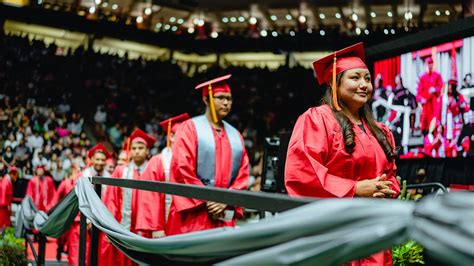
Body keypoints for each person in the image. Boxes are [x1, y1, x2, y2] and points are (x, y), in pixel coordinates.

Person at [285, 43, 400, 265]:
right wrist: (355, 189)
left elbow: (390, 173)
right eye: (355, 78)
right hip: (335, 232)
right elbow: (302, 174)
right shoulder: (317, 120)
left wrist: (386, 188)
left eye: (367, 78)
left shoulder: (379, 130)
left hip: (374, 232)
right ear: (334, 83)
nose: (364, 85)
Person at [166, 74, 249, 236]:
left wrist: (226, 199)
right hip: (194, 216)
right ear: (206, 100)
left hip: (223, 215)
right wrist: (209, 198)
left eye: (229, 99)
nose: (226, 103)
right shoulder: (190, 128)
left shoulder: (235, 135)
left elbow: (242, 175)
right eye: (221, 98)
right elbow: (183, 170)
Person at [100, 129, 160, 266]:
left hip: (146, 231)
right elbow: (111, 201)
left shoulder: (154, 171)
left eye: (141, 148)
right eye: (134, 148)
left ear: (147, 151)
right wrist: (111, 228)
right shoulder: (120, 171)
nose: (137, 151)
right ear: (130, 151)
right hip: (123, 227)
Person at [137, 113, 190, 233]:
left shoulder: (192, 160)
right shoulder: (158, 161)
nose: (187, 138)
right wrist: (156, 227)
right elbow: (149, 195)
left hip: (187, 224)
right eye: (183, 135)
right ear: (171, 136)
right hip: (164, 225)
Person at [416, 57, 444, 134]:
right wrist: (421, 99)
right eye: (429, 63)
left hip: (434, 103)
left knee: (434, 121)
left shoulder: (437, 75)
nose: (430, 65)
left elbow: (441, 87)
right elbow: (418, 92)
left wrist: (435, 89)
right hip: (426, 105)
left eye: (431, 63)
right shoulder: (423, 77)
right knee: (425, 121)